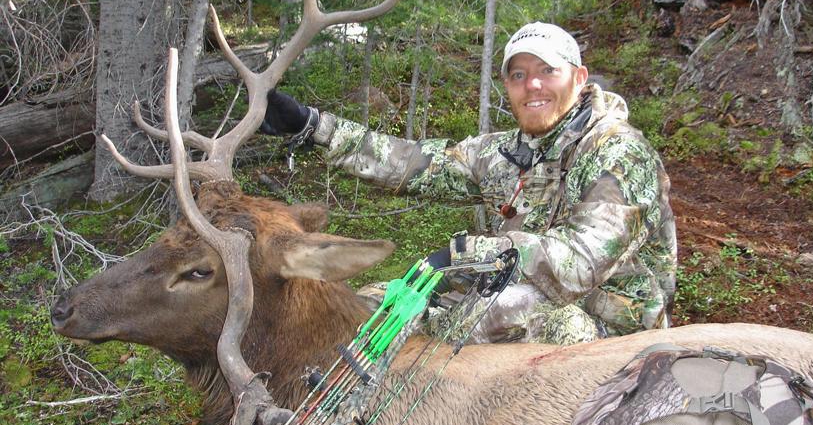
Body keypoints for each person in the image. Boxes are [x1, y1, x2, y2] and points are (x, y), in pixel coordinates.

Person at [260, 22, 677, 345]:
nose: (532, 84)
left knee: (500, 312)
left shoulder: (618, 154)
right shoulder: (506, 151)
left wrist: (465, 252)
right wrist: (312, 125)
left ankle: (435, 422)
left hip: (615, 332)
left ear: (579, 77)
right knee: (372, 304)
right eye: (518, 74)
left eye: (547, 71)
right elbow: (411, 163)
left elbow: (581, 264)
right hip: (513, 285)